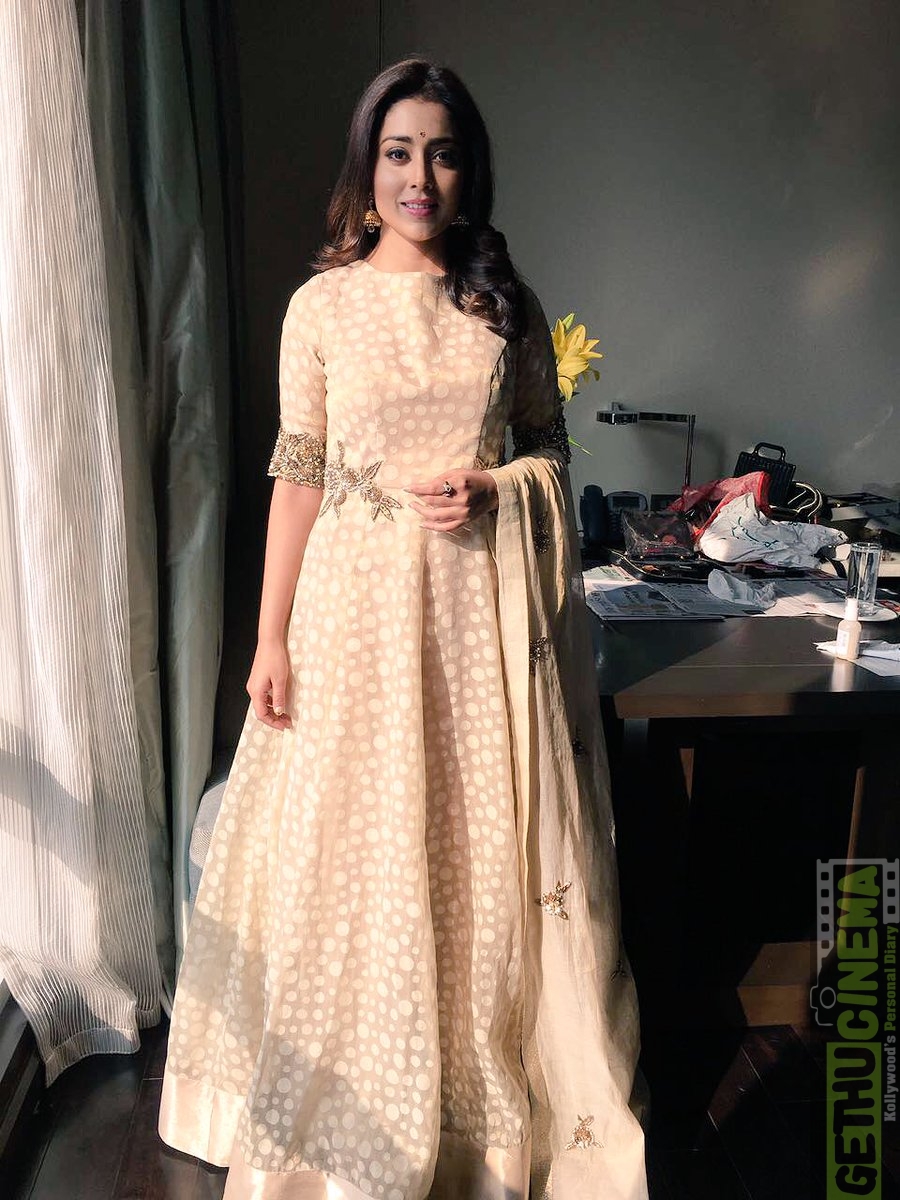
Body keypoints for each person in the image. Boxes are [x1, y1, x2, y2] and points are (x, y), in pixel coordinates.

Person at [158, 58, 648, 1200]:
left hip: (473, 626)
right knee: (346, 850)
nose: (418, 176)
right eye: (397, 152)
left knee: (468, 853)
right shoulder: (321, 308)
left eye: (441, 153)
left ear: (469, 171)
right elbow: (298, 478)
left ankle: (472, 1115)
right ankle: (342, 1113)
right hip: (351, 621)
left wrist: (496, 488)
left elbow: (550, 452)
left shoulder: (504, 307)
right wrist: (269, 639)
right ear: (367, 167)